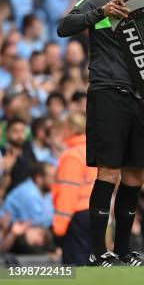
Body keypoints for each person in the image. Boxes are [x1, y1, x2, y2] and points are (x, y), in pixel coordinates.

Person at [57, 0, 144, 267]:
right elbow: (64, 27)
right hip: (106, 93)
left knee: (136, 173)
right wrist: (100, 13)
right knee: (110, 172)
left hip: (137, 98)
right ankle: (98, 251)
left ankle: (125, 251)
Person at [52, 112, 96, 266]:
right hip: (94, 214)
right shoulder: (92, 151)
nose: (62, 132)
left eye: (64, 128)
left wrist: (59, 228)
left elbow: (68, 193)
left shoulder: (72, 156)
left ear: (71, 129)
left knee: (75, 268)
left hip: (77, 218)